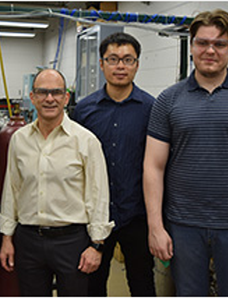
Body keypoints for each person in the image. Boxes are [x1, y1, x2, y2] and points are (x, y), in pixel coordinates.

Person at [143, 9, 228, 296]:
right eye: (202, 43)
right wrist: (155, 226)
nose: (210, 50)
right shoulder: (168, 100)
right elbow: (152, 167)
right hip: (182, 227)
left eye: (219, 44)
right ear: (192, 46)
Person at [0, 69, 114, 296]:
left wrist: (96, 245)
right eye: (42, 92)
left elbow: (98, 196)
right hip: (28, 241)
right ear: (32, 97)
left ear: (66, 98)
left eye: (56, 92)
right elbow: (11, 191)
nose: (49, 98)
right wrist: (7, 239)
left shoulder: (86, 141)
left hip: (72, 243)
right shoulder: (19, 140)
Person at [72, 32, 156, 296]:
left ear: (137, 64)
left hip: (137, 214)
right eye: (113, 59)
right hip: (93, 216)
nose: (120, 66)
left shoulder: (152, 109)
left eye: (128, 60)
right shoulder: (84, 110)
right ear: (101, 64)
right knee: (91, 285)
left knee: (142, 284)